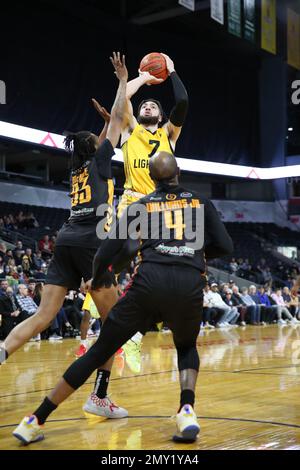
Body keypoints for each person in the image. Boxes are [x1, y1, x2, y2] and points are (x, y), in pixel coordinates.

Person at [13, 151, 233, 445]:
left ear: (151, 179)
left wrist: (98, 277)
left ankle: (34, 420)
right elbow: (225, 245)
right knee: (186, 347)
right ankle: (187, 410)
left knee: (98, 352)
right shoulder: (201, 202)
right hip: (188, 284)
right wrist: (194, 253)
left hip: (148, 284)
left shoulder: (141, 206)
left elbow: (107, 251)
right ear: (178, 171)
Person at [0, 52, 129, 419]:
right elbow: (120, 118)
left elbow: (105, 135)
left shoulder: (78, 168)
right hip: (91, 243)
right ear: (98, 147)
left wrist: (104, 127)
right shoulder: (102, 161)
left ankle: (2, 350)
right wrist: (121, 81)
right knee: (115, 325)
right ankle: (99, 395)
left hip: (66, 238)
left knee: (43, 315)